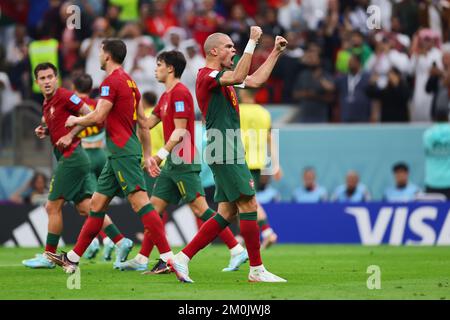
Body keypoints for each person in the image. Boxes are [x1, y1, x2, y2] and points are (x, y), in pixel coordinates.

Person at [167, 27, 288, 283]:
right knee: (249, 204)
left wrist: (275, 53)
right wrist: (252, 43)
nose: (234, 50)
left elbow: (254, 80)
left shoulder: (222, 76)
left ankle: (181, 259)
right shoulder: (207, 75)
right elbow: (242, 74)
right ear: (214, 51)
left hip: (226, 146)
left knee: (226, 213)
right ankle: (256, 269)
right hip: (224, 146)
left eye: (236, 47)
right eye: (229, 46)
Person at [45, 39, 174, 274]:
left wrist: (76, 120)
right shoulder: (131, 82)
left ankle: (168, 258)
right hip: (119, 153)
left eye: (100, 51)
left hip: (122, 152)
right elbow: (143, 124)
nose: (98, 56)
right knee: (96, 204)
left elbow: (98, 116)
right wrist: (146, 155)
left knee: (140, 203)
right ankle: (72, 258)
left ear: (107, 55)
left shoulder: (111, 82)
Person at [119, 51, 248, 273]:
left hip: (184, 159)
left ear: (170, 68)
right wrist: (132, 102)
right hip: (172, 165)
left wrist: (159, 155)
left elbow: (180, 132)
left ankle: (237, 249)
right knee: (154, 209)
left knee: (201, 209)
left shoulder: (180, 94)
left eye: (158, 64)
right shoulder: (166, 96)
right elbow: (147, 124)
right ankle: (142, 258)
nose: (155, 69)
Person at [22, 62, 128, 269]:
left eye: (50, 77)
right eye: (42, 78)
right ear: (37, 82)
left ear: (57, 78)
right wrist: (46, 131)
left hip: (73, 158)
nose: (46, 81)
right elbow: (60, 123)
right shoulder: (47, 103)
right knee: (86, 208)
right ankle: (120, 241)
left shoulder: (64, 95)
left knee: (52, 206)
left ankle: (49, 256)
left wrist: (71, 135)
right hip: (71, 158)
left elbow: (91, 115)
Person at [72, 74, 117, 262]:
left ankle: (109, 239)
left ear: (74, 86)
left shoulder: (73, 103)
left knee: (88, 205)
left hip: (85, 156)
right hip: (102, 153)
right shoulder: (98, 104)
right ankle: (96, 242)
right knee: (98, 202)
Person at [238, 88, 280, 249]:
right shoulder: (264, 113)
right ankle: (241, 238)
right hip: (257, 163)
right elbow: (270, 139)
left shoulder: (237, 110)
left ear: (243, 93)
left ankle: (268, 232)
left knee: (248, 200)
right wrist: (276, 165)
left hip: (240, 161)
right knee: (241, 201)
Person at [335, 54, 373, 122]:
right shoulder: (342, 78)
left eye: (352, 61)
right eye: (349, 61)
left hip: (362, 116)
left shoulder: (368, 78)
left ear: (359, 63)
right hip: (346, 115)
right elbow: (332, 88)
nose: (350, 63)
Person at [423, 108, 450, 199]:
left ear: (434, 118)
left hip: (432, 181)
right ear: (447, 117)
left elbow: (427, 150)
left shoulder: (428, 134)